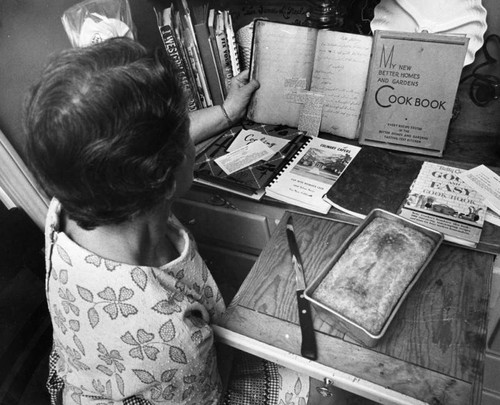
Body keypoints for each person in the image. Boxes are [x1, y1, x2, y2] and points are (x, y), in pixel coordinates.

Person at [24, 37, 342, 405]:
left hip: (94, 364)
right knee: (332, 394)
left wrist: (227, 111)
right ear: (168, 178)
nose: (189, 138)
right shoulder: (173, 337)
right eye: (184, 136)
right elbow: (209, 395)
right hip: (179, 385)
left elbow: (137, 144)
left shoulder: (76, 192)